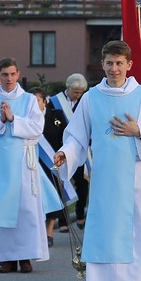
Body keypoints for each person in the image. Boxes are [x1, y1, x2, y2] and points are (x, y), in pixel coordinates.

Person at [54, 41, 141, 281]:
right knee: (107, 239)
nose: (114, 68)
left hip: (134, 181)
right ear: (102, 64)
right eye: (109, 63)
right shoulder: (92, 97)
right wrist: (65, 153)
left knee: (133, 240)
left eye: (120, 63)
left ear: (129, 64)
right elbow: (77, 137)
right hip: (105, 181)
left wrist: (138, 130)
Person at [0, 58, 61, 274]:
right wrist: (1, 121)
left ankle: (26, 256)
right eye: (4, 75)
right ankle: (6, 258)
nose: (9, 79)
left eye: (13, 74)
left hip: (24, 160)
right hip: (1, 161)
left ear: (18, 73)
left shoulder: (29, 99)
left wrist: (13, 119)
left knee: (26, 210)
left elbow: (36, 128)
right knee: (4, 208)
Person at [30, 87, 76, 249]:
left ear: (44, 102)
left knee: (53, 196)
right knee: (36, 198)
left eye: (38, 101)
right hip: (33, 164)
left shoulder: (55, 116)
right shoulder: (25, 119)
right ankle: (37, 232)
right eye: (32, 101)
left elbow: (65, 137)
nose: (35, 105)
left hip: (51, 162)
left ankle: (49, 232)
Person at [49, 73, 89, 231]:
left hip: (80, 151)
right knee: (62, 186)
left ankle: (79, 216)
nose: (78, 95)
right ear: (68, 87)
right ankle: (63, 221)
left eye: (81, 92)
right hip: (60, 149)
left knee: (82, 185)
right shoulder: (54, 102)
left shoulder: (84, 102)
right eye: (75, 92)